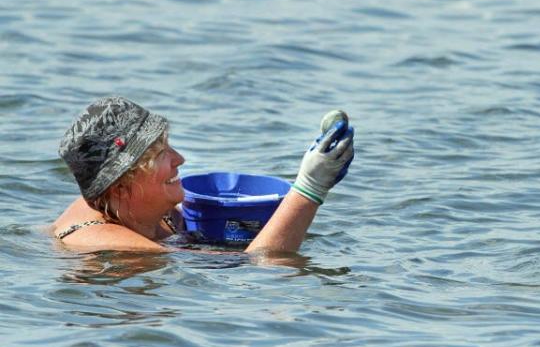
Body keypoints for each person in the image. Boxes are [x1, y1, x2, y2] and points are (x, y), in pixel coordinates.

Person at [52, 96, 354, 254]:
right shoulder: (104, 240)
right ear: (120, 186)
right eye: (159, 155)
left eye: (168, 146)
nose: (180, 160)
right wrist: (309, 189)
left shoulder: (141, 209)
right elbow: (258, 266)